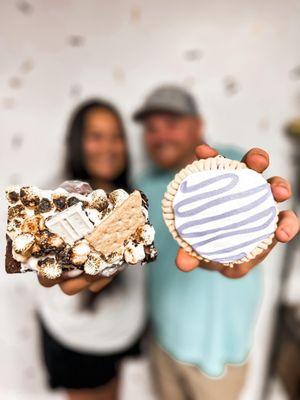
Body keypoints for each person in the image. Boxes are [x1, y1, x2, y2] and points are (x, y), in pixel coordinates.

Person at [133, 85, 299, 400]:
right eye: (151, 129)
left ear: (198, 125)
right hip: (163, 342)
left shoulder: (235, 167)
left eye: (171, 124)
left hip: (220, 353)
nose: (160, 136)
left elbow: (259, 216)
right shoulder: (141, 187)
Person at [37, 99, 146, 400]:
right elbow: (51, 278)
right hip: (79, 343)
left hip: (117, 336)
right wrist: (53, 275)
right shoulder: (58, 201)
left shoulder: (127, 196)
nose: (109, 147)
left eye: (116, 136)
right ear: (77, 142)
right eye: (96, 136)